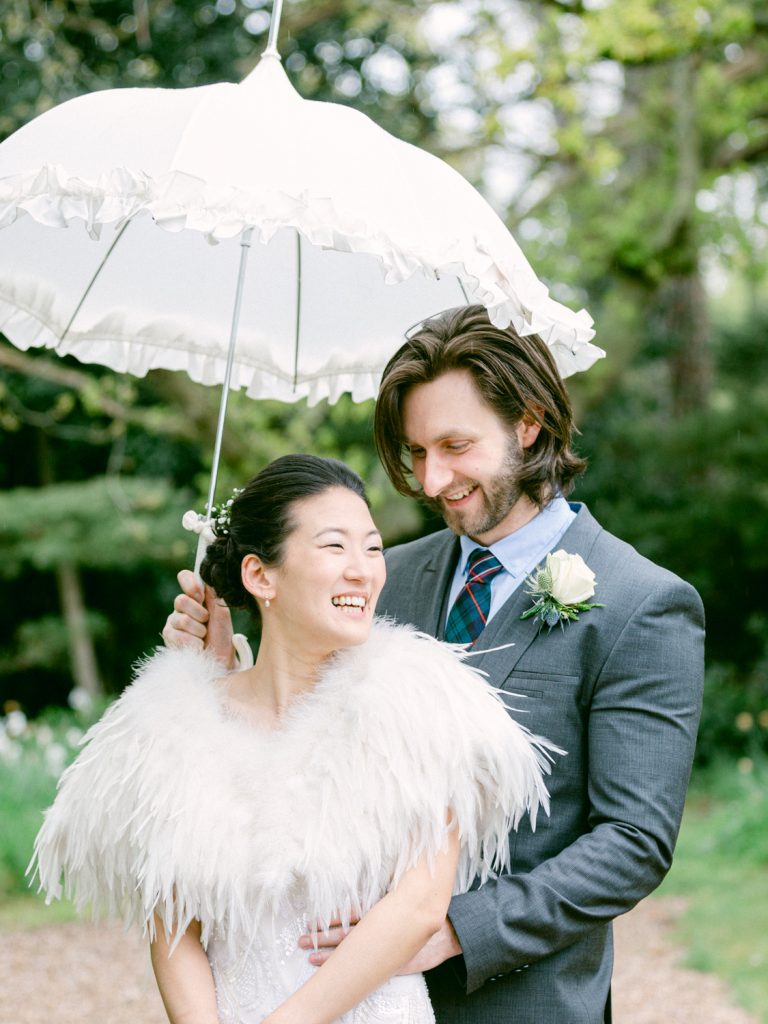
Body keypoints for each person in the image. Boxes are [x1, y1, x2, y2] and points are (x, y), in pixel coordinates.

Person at [164, 306, 705, 1024]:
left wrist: (452, 928)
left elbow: (632, 843)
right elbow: (303, 732)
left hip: (518, 1003)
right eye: (417, 451)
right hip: (343, 995)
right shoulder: (386, 576)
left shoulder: (643, 603)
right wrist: (220, 666)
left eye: (454, 445)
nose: (430, 479)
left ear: (530, 423)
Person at [31, 454, 555, 1024]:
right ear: (260, 575)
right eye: (335, 547)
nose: (363, 571)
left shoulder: (419, 705)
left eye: (372, 548)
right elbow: (174, 925)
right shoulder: (183, 724)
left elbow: (419, 906)